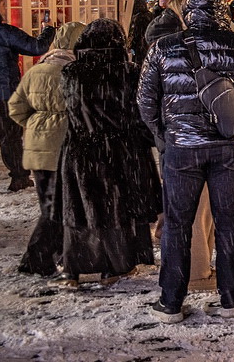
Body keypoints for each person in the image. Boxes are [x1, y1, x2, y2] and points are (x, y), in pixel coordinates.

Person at [138, 0, 234, 322]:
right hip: (230, 147)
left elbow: (144, 101)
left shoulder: (163, 48)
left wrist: (165, 134)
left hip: (182, 148)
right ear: (222, 8)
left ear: (186, 8)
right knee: (228, 222)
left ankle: (170, 300)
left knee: (178, 224)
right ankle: (232, 294)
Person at [57, 18, 161, 287]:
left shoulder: (71, 72)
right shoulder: (129, 72)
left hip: (80, 148)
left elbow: (70, 110)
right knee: (118, 206)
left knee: (80, 207)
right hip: (120, 148)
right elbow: (140, 113)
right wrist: (150, 139)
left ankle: (75, 268)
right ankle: (115, 266)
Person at [8, 22, 85, 276]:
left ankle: (50, 255)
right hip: (61, 147)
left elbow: (16, 108)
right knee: (58, 208)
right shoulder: (74, 71)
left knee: (50, 205)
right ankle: (36, 259)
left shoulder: (37, 69)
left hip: (36, 147)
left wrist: (35, 126)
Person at [0, 0, 54, 190]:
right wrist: (47, 29)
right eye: (3, 5)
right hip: (3, 92)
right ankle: (19, 177)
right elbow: (37, 48)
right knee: (10, 137)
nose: (5, 9)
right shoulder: (4, 32)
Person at [128, 0, 155, 66]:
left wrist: (132, 45)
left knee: (139, 63)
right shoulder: (151, 15)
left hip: (140, 46)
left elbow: (136, 34)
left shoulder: (137, 17)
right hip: (149, 44)